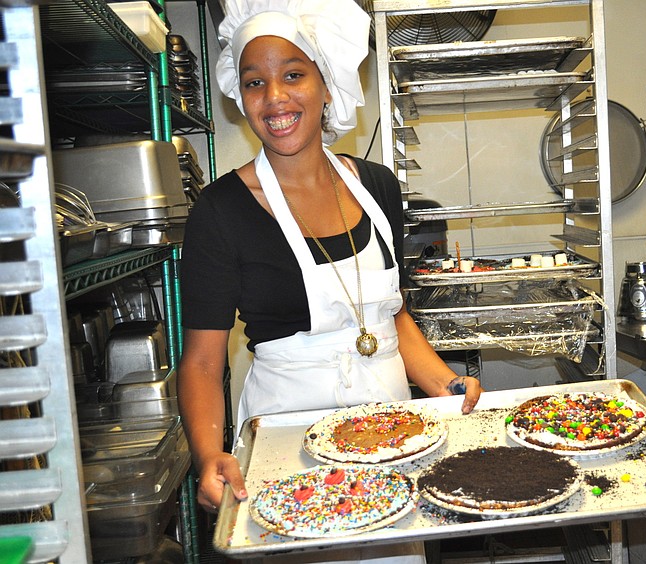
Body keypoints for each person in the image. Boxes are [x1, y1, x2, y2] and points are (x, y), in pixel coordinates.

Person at [176, 1, 482, 561]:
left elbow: (389, 315)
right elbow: (200, 362)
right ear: (239, 96)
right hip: (286, 450)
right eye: (254, 82)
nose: (275, 98)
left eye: (293, 74)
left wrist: (442, 384)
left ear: (325, 82)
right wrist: (207, 453)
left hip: (394, 432)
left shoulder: (378, 186)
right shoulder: (221, 211)